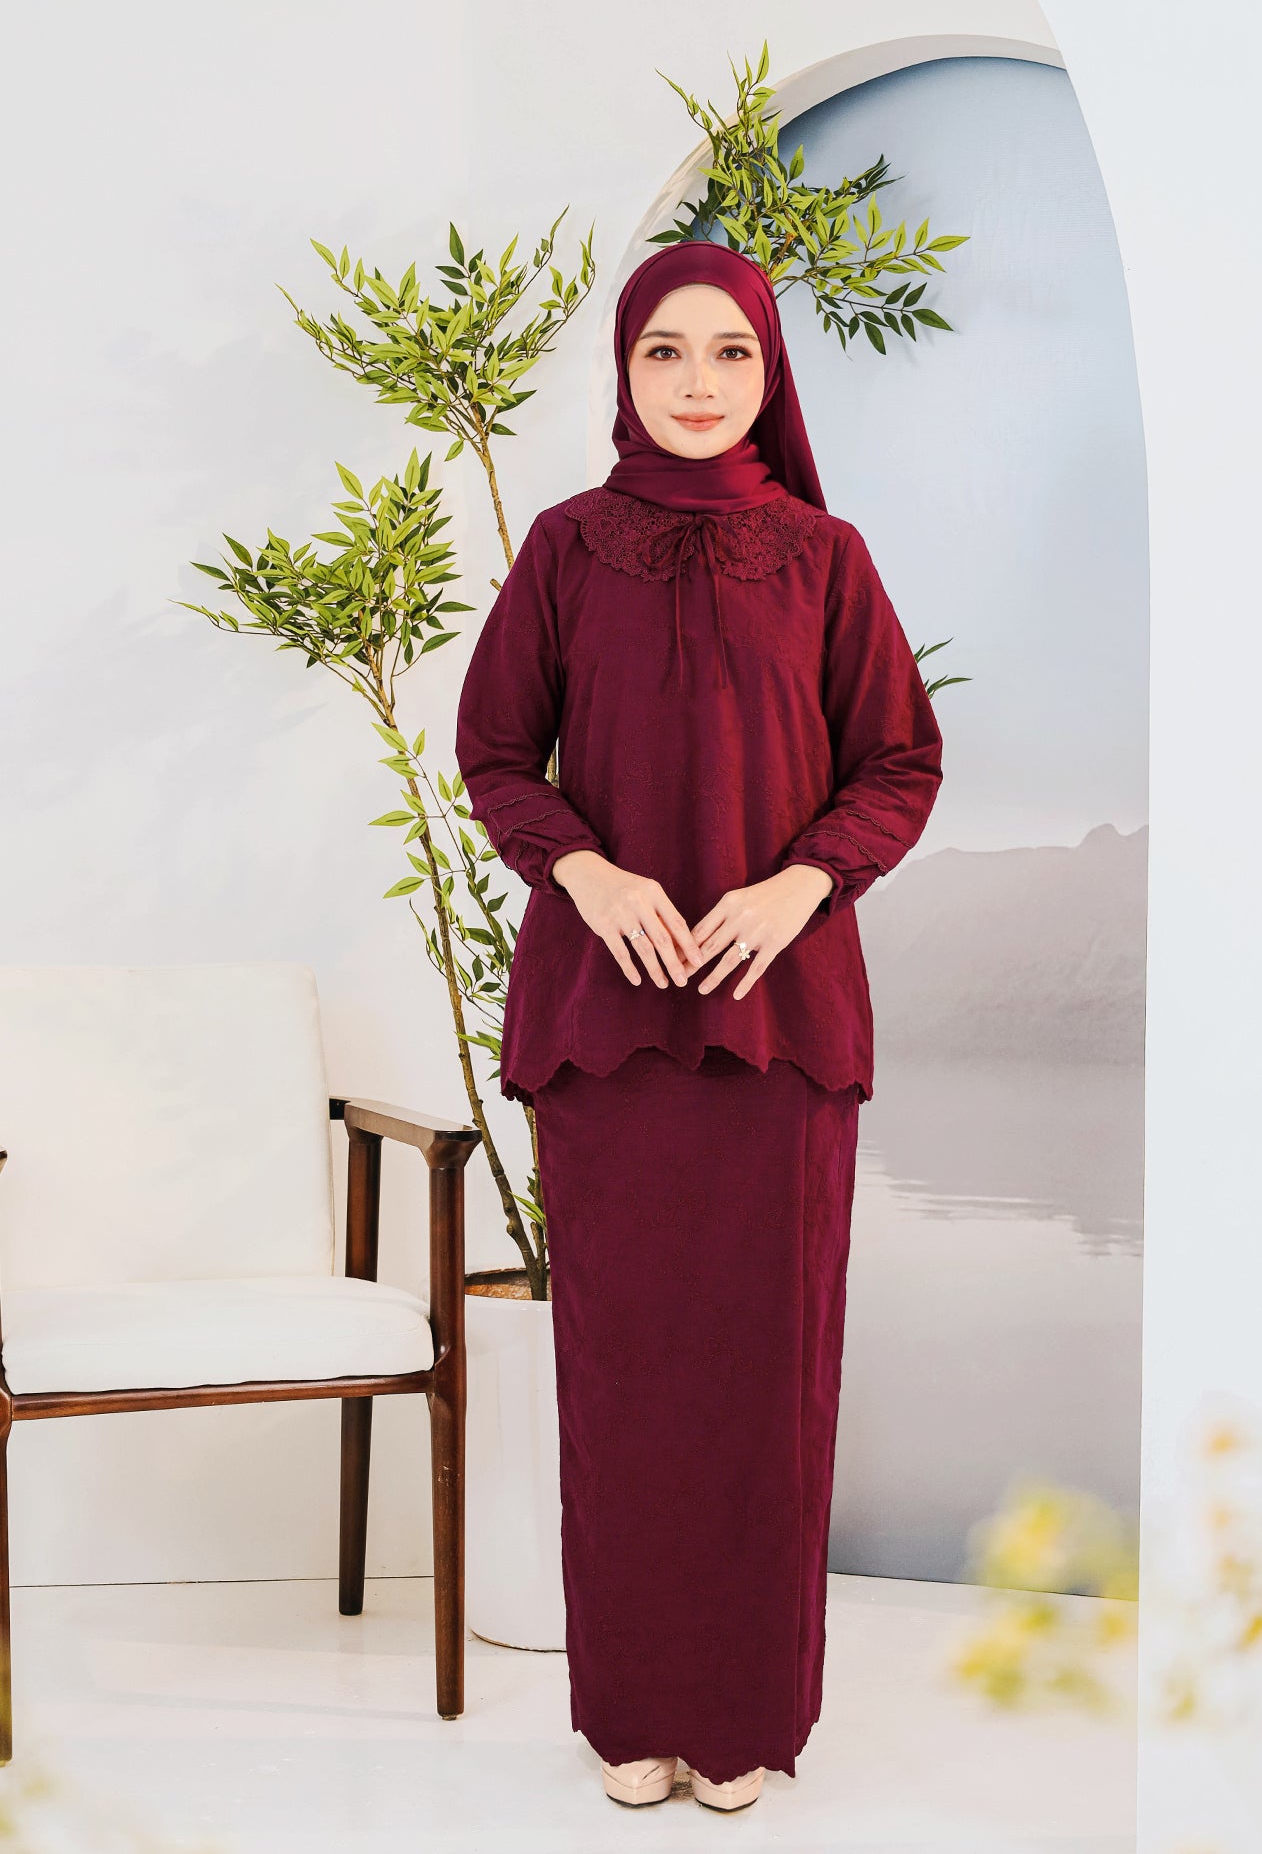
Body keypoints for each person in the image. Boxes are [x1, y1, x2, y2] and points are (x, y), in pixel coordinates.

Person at [453, 239, 945, 1813]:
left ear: (769, 373)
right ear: (623, 368)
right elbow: (496, 750)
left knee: (763, 1380)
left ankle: (740, 1716)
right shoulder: (565, 550)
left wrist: (803, 883)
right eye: (664, 350)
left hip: (779, 1032)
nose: (697, 380)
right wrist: (582, 868)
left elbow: (900, 760)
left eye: (730, 352)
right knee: (625, 1379)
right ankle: (633, 1714)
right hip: (607, 1035)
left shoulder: (826, 557)